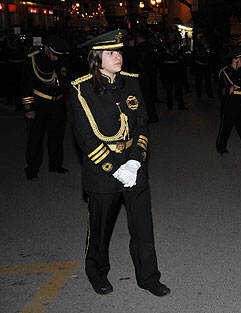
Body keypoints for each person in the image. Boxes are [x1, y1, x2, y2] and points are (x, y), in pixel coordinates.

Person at [69, 29, 170, 297]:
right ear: (96, 57)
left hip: (134, 166)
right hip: (103, 171)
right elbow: (86, 138)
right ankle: (97, 273)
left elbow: (141, 124)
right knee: (100, 229)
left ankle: (149, 277)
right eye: (111, 53)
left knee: (142, 226)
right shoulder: (81, 89)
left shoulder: (131, 82)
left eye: (119, 52)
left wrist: (135, 161)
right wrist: (115, 168)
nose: (118, 57)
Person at [21, 34, 72, 180]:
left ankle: (55, 165)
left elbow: (67, 80)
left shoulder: (63, 58)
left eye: (59, 55)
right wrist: (29, 107)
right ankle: (32, 168)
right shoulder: (33, 59)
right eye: (54, 54)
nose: (57, 58)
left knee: (57, 137)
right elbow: (25, 85)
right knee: (35, 138)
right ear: (47, 48)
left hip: (58, 104)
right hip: (39, 104)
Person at [126, 29, 159, 122]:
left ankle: (149, 117)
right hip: (149, 74)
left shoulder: (138, 49)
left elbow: (130, 59)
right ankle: (152, 116)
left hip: (141, 75)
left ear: (139, 38)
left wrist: (130, 47)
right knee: (147, 96)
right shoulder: (149, 46)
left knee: (143, 97)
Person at [158, 30, 187, 110]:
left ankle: (181, 105)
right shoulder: (163, 45)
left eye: (174, 35)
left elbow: (182, 56)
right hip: (167, 68)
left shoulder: (178, 45)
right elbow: (161, 59)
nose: (172, 37)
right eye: (171, 35)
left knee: (178, 88)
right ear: (168, 36)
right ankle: (169, 105)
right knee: (169, 88)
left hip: (177, 68)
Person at [192, 34, 215, 99]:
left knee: (208, 80)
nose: (204, 41)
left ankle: (210, 94)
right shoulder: (197, 46)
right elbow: (198, 54)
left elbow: (211, 55)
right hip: (199, 65)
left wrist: (208, 49)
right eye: (202, 39)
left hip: (206, 65)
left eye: (205, 40)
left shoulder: (209, 46)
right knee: (199, 80)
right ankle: (199, 94)